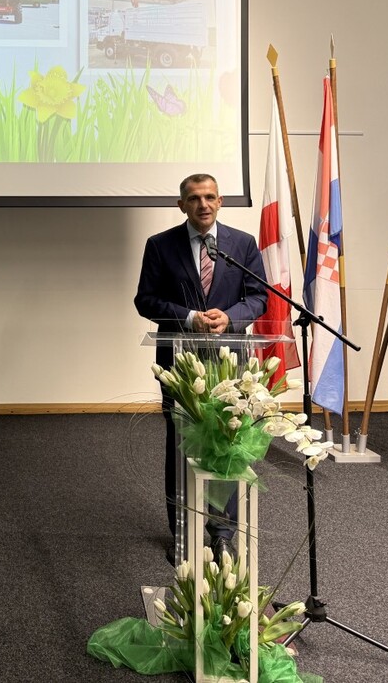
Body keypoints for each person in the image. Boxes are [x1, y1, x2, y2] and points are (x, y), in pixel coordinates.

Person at [134, 173, 268, 560]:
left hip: (230, 363)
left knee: (227, 444)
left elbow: (258, 296)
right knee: (181, 443)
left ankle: (222, 531)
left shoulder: (242, 244)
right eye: (194, 198)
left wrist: (231, 318)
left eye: (209, 197)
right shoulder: (160, 245)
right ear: (182, 205)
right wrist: (189, 317)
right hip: (180, 360)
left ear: (220, 201)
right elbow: (145, 300)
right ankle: (183, 532)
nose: (203, 205)